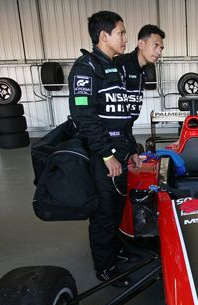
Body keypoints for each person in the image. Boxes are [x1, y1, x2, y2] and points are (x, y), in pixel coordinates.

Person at [68, 11, 142, 286]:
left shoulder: (115, 67)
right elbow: (83, 117)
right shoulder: (86, 68)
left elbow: (120, 114)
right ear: (104, 36)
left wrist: (131, 148)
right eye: (121, 33)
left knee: (116, 206)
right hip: (102, 155)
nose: (125, 39)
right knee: (103, 211)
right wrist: (107, 155)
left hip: (120, 150)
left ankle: (117, 250)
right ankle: (104, 267)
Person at [114, 24, 165, 133]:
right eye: (155, 45)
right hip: (112, 132)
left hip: (127, 128)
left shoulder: (144, 69)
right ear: (141, 44)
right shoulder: (120, 64)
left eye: (161, 48)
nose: (159, 52)